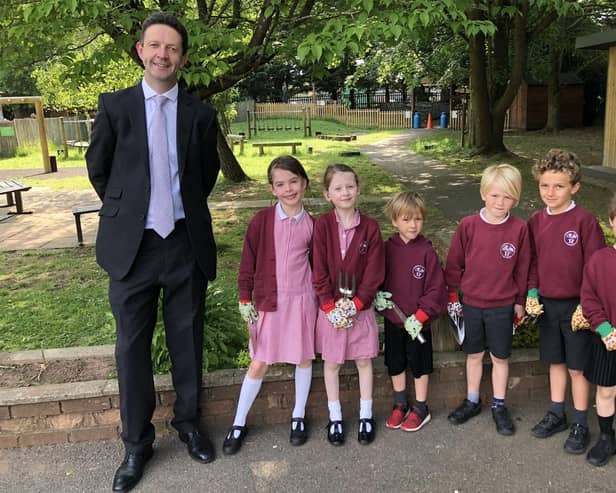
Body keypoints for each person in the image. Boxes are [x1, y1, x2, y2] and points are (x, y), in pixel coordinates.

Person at [86, 12, 220, 493]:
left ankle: (188, 425)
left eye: (173, 48)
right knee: (131, 350)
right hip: (133, 250)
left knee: (188, 342)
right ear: (141, 51)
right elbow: (99, 171)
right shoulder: (114, 107)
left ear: (183, 58)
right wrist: (130, 214)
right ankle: (137, 444)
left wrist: (176, 214)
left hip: (184, 242)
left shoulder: (201, 115)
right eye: (155, 45)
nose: (163, 54)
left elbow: (205, 177)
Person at [222, 156, 318, 455]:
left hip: (302, 301)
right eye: (280, 184)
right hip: (269, 303)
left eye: (293, 181)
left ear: (304, 182)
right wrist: (244, 297)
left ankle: (298, 416)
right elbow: (247, 262)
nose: (288, 189)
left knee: (303, 358)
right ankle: (239, 422)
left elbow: (319, 266)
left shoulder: (314, 224)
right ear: (271, 189)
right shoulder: (261, 221)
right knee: (260, 360)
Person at [526, 149, 605, 455]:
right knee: (555, 362)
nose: (550, 192)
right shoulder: (535, 221)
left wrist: (587, 307)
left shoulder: (585, 221)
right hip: (547, 305)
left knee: (577, 368)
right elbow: (531, 262)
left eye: (559, 186)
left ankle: (581, 423)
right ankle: (557, 413)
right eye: (545, 185)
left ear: (575, 187)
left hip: (578, 308)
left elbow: (594, 268)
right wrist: (532, 293)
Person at [445, 164, 530, 436]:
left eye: (506, 197)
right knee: (473, 354)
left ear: (515, 199)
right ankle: (472, 400)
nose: (499, 202)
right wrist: (452, 295)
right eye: (494, 195)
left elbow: (523, 268)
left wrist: (519, 301)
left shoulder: (519, 229)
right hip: (471, 304)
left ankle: (499, 404)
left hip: (503, 306)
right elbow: (454, 264)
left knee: (500, 357)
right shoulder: (468, 226)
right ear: (483, 193)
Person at [312, 163, 385, 446]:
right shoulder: (322, 226)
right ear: (327, 194)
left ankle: (366, 415)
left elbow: (374, 272)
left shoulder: (370, 227)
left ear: (359, 189)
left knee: (364, 361)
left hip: (360, 309)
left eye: (350, 187)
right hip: (330, 311)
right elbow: (318, 270)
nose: (345, 193)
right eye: (338, 188)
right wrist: (330, 307)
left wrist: (356, 304)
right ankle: (335, 417)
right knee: (331, 364)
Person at [374, 191, 447, 432]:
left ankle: (421, 407)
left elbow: (436, 289)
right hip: (395, 322)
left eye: (417, 219)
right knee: (395, 363)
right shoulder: (386, 249)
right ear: (395, 221)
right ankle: (400, 403)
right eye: (406, 219)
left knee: (419, 365)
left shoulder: (426, 252)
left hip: (418, 324)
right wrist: (378, 297)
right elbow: (376, 279)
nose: (413, 225)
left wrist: (421, 316)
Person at [581, 193, 616, 466]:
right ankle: (606, 437)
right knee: (605, 391)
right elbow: (589, 299)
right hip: (607, 339)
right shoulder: (600, 260)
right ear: (612, 222)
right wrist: (604, 328)